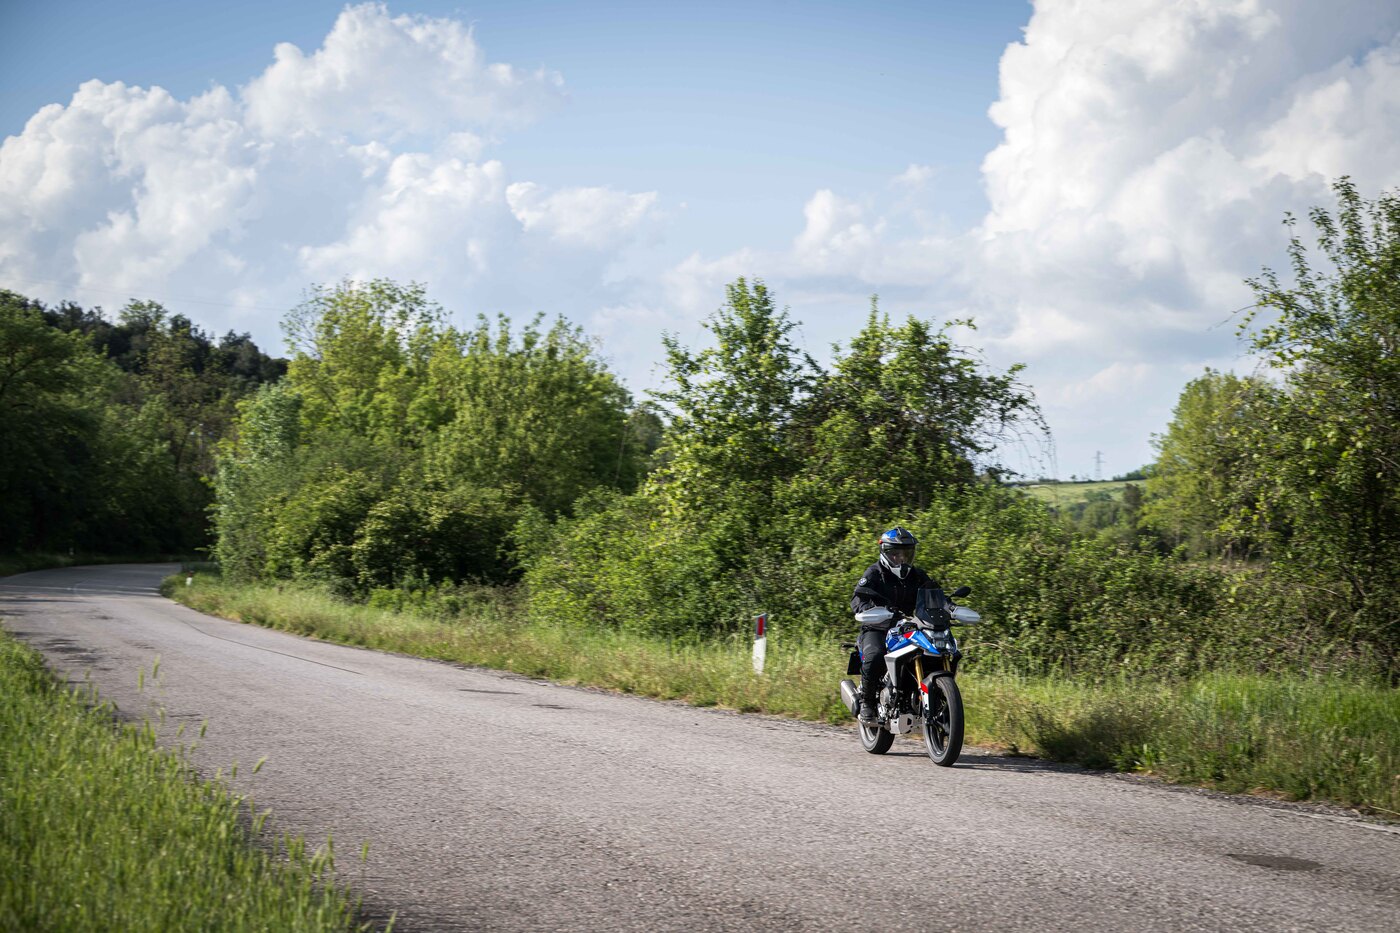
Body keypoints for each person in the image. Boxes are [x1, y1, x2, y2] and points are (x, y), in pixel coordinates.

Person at [850, 527, 938, 723]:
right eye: (895, 554)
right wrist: (872, 610)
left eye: (906, 554)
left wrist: (947, 606)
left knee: (934, 652)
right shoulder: (874, 573)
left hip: (908, 627)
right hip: (877, 627)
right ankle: (867, 702)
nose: (901, 558)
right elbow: (858, 599)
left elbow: (934, 594)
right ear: (885, 553)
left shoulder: (917, 575)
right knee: (875, 655)